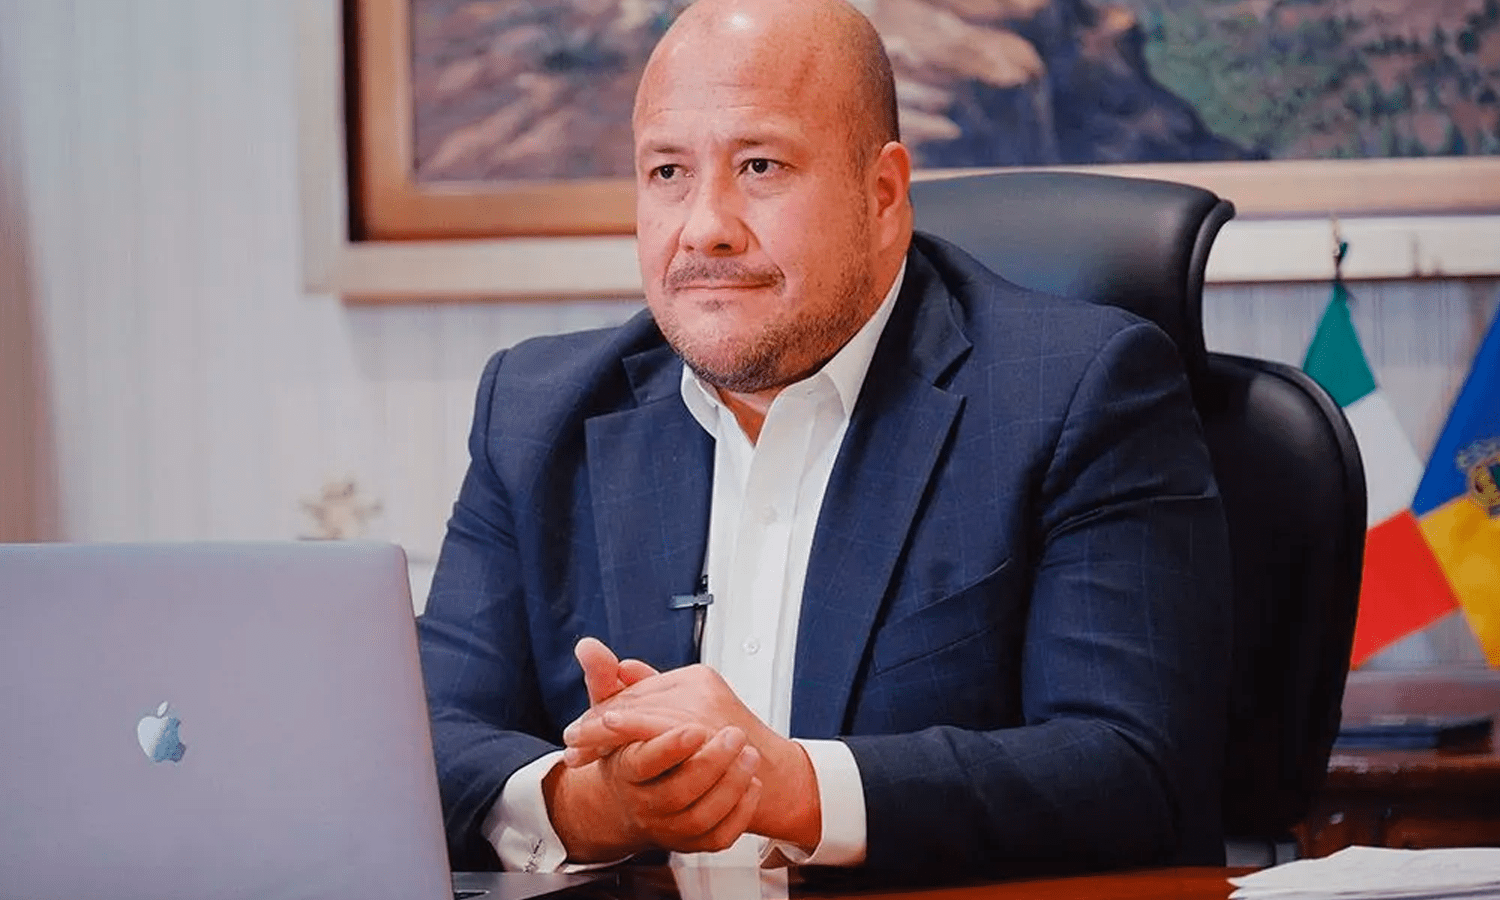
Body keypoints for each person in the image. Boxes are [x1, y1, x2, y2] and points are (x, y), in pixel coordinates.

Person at [417, 0, 1232, 881]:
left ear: (881, 195)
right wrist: (591, 807)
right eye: (667, 172)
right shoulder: (536, 414)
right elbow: (423, 737)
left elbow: (1130, 769)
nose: (705, 226)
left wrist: (792, 787)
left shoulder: (1076, 392)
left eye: (760, 165)